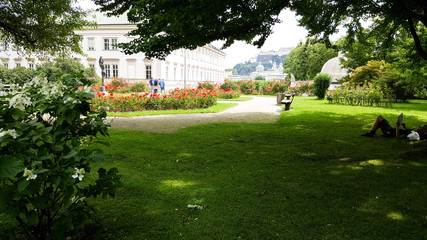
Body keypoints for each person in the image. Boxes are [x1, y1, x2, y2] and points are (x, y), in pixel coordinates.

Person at [361, 115, 426, 140]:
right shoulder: (416, 132)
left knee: (379, 118)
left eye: (421, 127)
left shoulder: (415, 135)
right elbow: (406, 131)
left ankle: (371, 132)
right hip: (393, 130)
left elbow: (397, 136)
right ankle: (372, 132)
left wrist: (397, 127)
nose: (419, 127)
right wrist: (404, 126)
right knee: (381, 121)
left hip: (391, 133)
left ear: (423, 131)